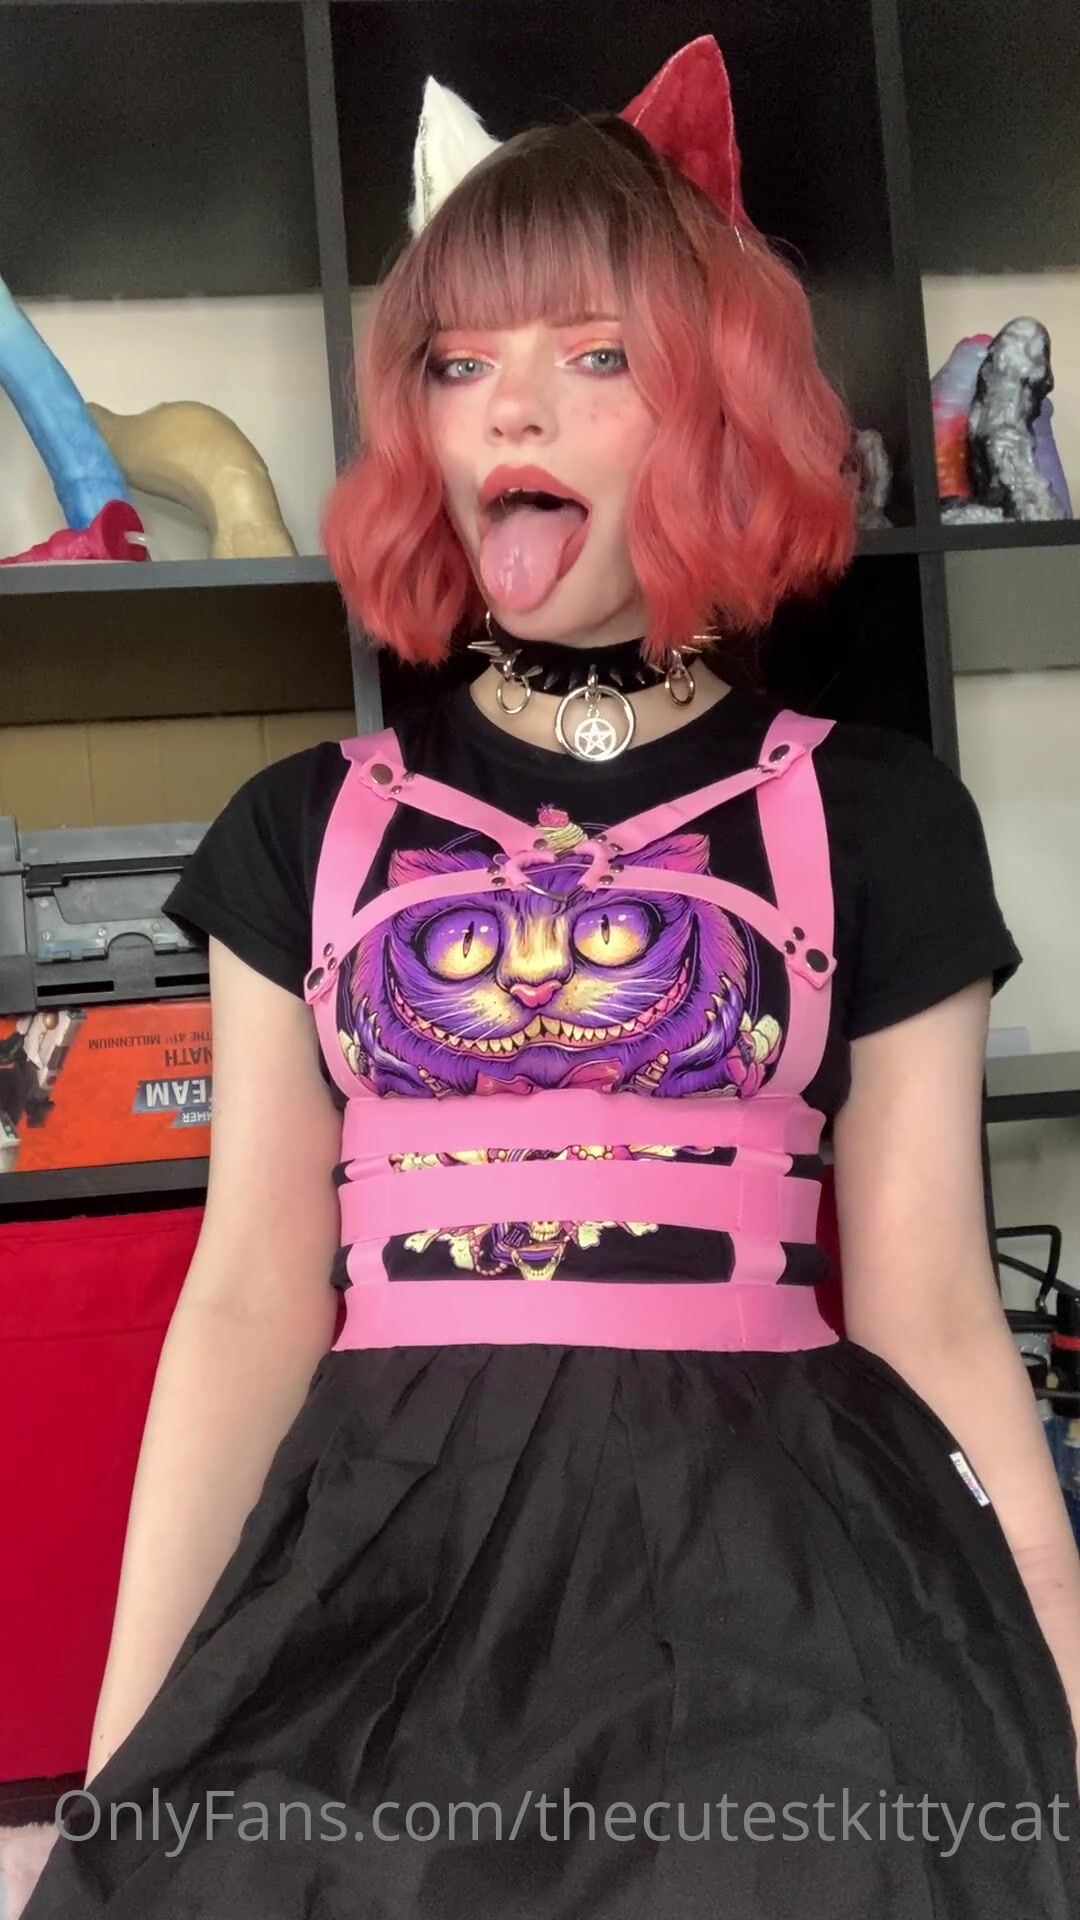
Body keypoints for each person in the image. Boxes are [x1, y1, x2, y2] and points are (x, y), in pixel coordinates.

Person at [23, 35, 1079, 1920]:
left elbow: (933, 1308)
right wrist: (124, 1760)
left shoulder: (880, 814)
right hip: (384, 1553)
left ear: (719, 407)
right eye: (459, 363)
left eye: (597, 357)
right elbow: (249, 1300)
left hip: (774, 1568)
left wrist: (1068, 1704)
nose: (513, 406)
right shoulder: (302, 826)